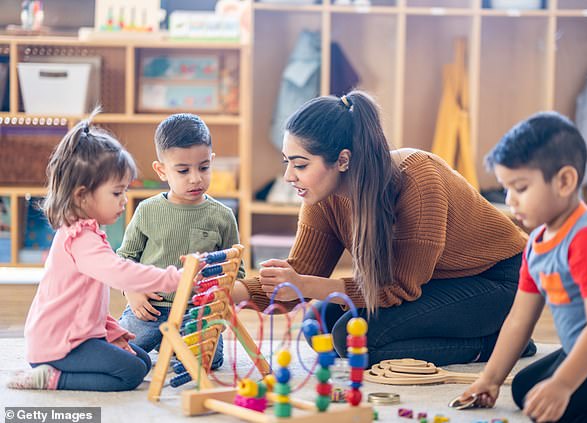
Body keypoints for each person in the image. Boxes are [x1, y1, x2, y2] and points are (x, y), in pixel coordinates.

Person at [232, 90, 534, 366]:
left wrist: (307, 285)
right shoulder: (322, 196)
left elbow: (398, 287)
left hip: (501, 280)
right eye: (287, 162)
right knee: (320, 325)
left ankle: (497, 343)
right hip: (436, 281)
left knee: (356, 342)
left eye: (300, 165)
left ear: (343, 160)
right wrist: (232, 293)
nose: (288, 176)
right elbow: (298, 275)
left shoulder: (417, 180)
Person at [460, 112, 587, 422]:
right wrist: (490, 378)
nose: (511, 200)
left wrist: (563, 384)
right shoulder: (538, 241)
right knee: (526, 391)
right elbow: (518, 319)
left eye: (521, 188)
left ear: (564, 181)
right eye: (507, 188)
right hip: (585, 349)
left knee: (561, 404)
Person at [7, 109, 184, 391]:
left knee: (140, 360)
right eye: (116, 193)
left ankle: (61, 369)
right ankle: (52, 377)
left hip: (76, 335)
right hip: (59, 344)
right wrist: (175, 278)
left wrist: (110, 332)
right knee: (130, 374)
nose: (124, 201)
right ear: (82, 195)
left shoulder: (86, 231)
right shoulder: (80, 239)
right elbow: (120, 274)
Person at [117, 113, 244, 370]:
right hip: (149, 309)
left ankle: (172, 345)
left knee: (208, 362)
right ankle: (165, 342)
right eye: (183, 170)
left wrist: (217, 301)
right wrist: (132, 291)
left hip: (196, 314)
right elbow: (124, 259)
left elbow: (236, 271)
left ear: (212, 162)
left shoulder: (223, 216)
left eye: (204, 167)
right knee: (119, 353)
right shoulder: (147, 210)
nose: (195, 178)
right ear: (161, 170)